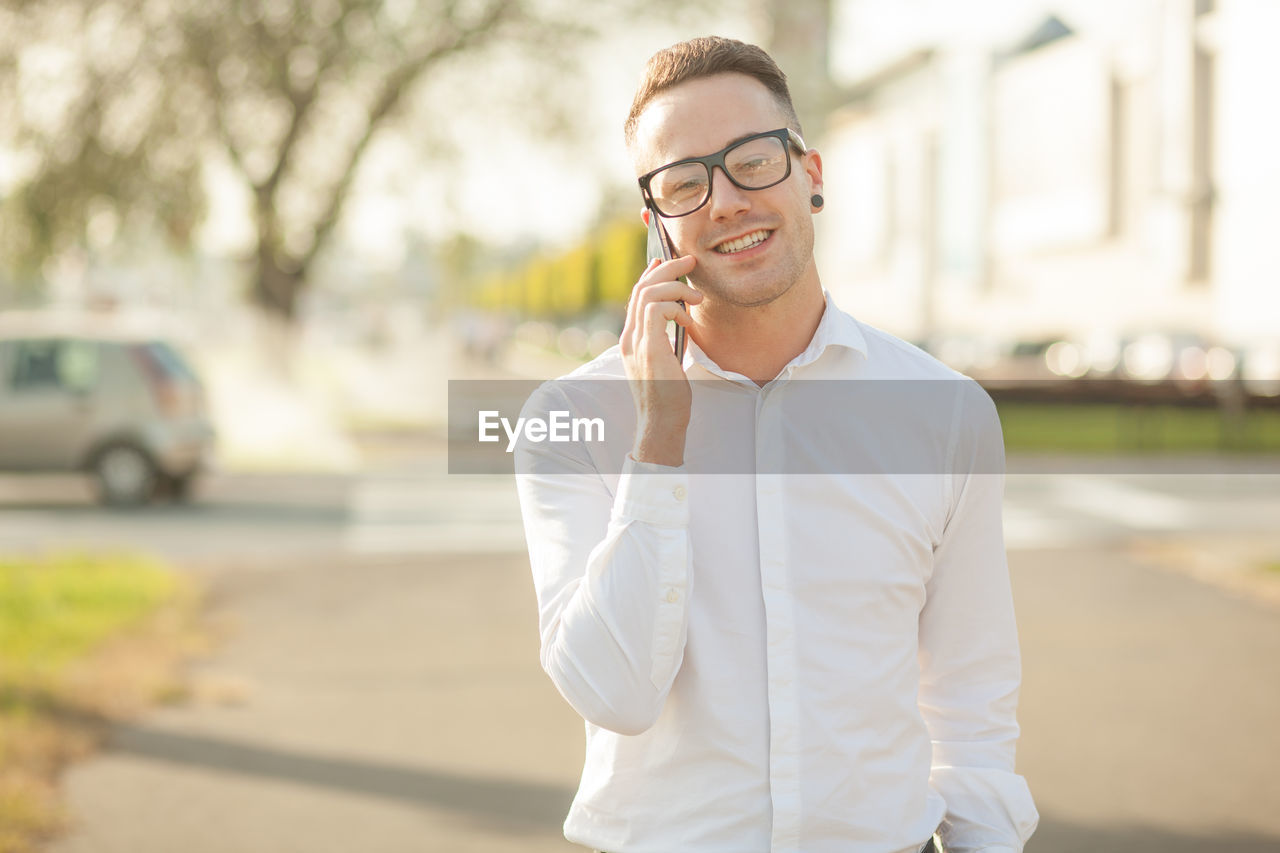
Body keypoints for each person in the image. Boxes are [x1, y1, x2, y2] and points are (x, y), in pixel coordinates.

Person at [513, 36, 1038, 853]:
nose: (725, 201)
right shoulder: (570, 418)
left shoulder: (943, 413)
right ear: (655, 222)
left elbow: (970, 701)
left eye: (753, 161)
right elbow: (611, 692)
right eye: (685, 182)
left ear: (811, 174)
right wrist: (658, 439)